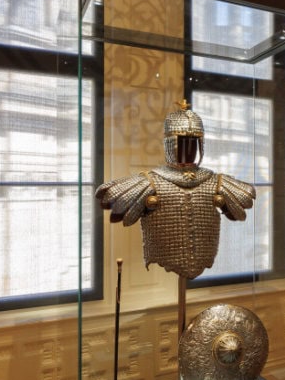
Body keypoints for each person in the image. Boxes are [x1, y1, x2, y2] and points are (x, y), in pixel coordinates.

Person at [95, 100, 256, 279]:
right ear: (170, 144)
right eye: (182, 142)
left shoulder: (217, 182)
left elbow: (243, 204)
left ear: (200, 144)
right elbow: (109, 199)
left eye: (193, 142)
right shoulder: (147, 183)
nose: (189, 148)